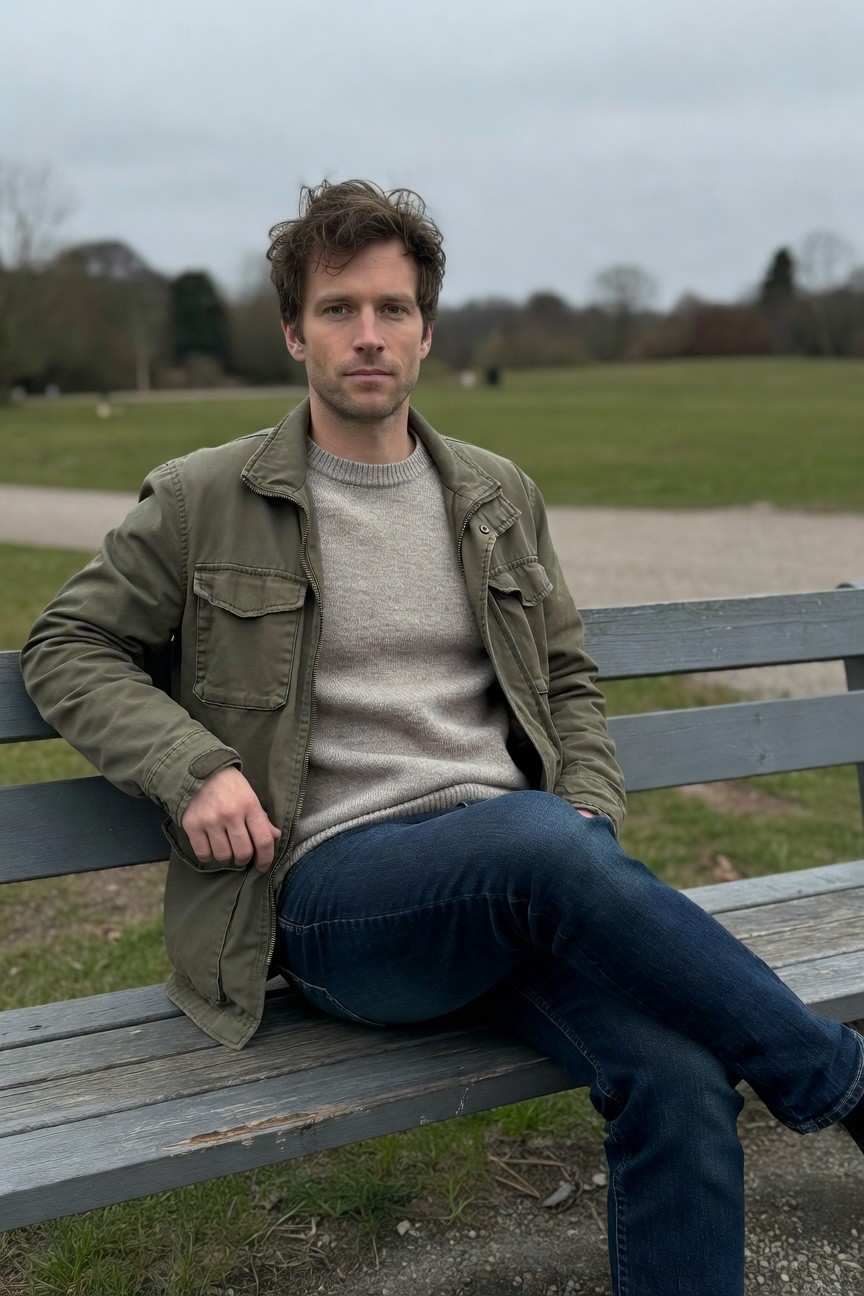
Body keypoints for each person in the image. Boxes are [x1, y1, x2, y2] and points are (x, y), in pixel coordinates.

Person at [21, 180, 863, 1296]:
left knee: (679, 1074)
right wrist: (195, 769)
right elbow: (67, 645)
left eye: (393, 308)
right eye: (337, 309)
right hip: (338, 904)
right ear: (293, 330)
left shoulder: (496, 495)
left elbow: (565, 679)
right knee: (536, 847)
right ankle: (842, 1090)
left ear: (428, 329)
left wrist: (591, 804)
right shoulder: (202, 499)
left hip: (529, 889)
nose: (368, 335)